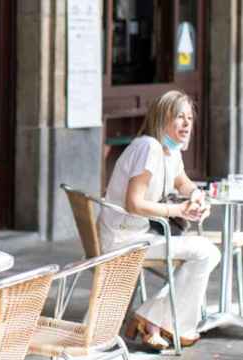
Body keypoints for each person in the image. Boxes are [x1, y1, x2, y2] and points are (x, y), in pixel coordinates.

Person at [97, 90, 220, 350]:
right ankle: (161, 319)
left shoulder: (168, 150)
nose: (187, 124)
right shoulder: (149, 148)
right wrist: (179, 211)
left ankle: (154, 317)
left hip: (138, 235)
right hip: (125, 240)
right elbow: (134, 203)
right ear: (162, 118)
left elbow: (182, 181)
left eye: (189, 117)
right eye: (179, 117)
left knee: (205, 252)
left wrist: (197, 196)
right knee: (206, 252)